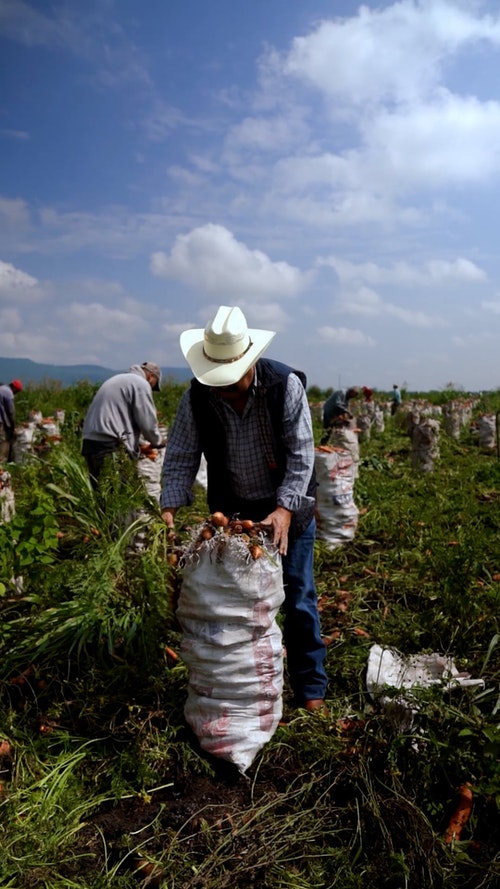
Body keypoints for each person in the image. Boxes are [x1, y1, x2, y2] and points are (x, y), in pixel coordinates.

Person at [160, 305, 328, 712]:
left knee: (298, 595)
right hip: (233, 517)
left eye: (229, 383)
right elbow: (182, 453)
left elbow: (302, 455)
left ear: (249, 363)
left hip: (285, 509)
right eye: (216, 383)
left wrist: (285, 509)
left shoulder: (284, 386)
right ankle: (242, 696)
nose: (223, 390)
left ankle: (311, 690)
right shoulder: (199, 396)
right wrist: (170, 504)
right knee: (232, 604)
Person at [81, 362, 166, 487]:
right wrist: (157, 441)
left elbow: (122, 421)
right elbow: (147, 420)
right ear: (150, 377)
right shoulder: (140, 384)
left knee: (101, 494)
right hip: (110, 446)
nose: (151, 389)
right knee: (119, 493)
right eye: (153, 385)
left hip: (90, 443)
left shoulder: (117, 380)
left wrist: (140, 444)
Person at [0, 379, 23, 463]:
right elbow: (11, 412)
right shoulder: (8, 393)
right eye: (17, 391)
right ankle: (2, 463)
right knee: (4, 441)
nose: (15, 394)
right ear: (14, 388)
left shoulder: (1, 388)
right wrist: (12, 425)